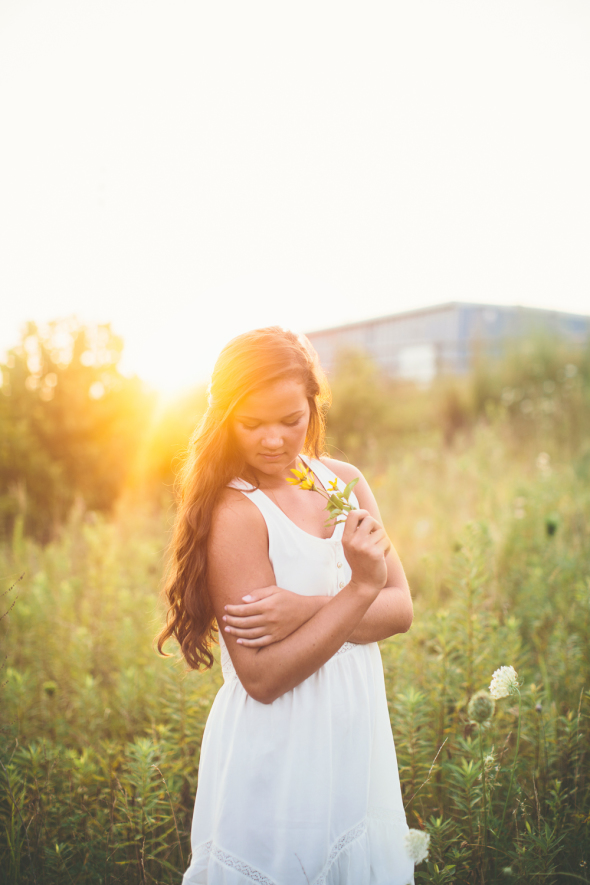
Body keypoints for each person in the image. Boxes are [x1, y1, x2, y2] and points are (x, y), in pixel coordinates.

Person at [157, 327, 415, 885]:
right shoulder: (235, 511)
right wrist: (357, 592)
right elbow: (263, 678)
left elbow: (400, 609)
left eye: (290, 420)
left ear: (312, 408)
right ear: (225, 418)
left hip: (354, 742)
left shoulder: (341, 485)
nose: (273, 440)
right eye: (251, 424)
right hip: (281, 749)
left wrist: (307, 608)